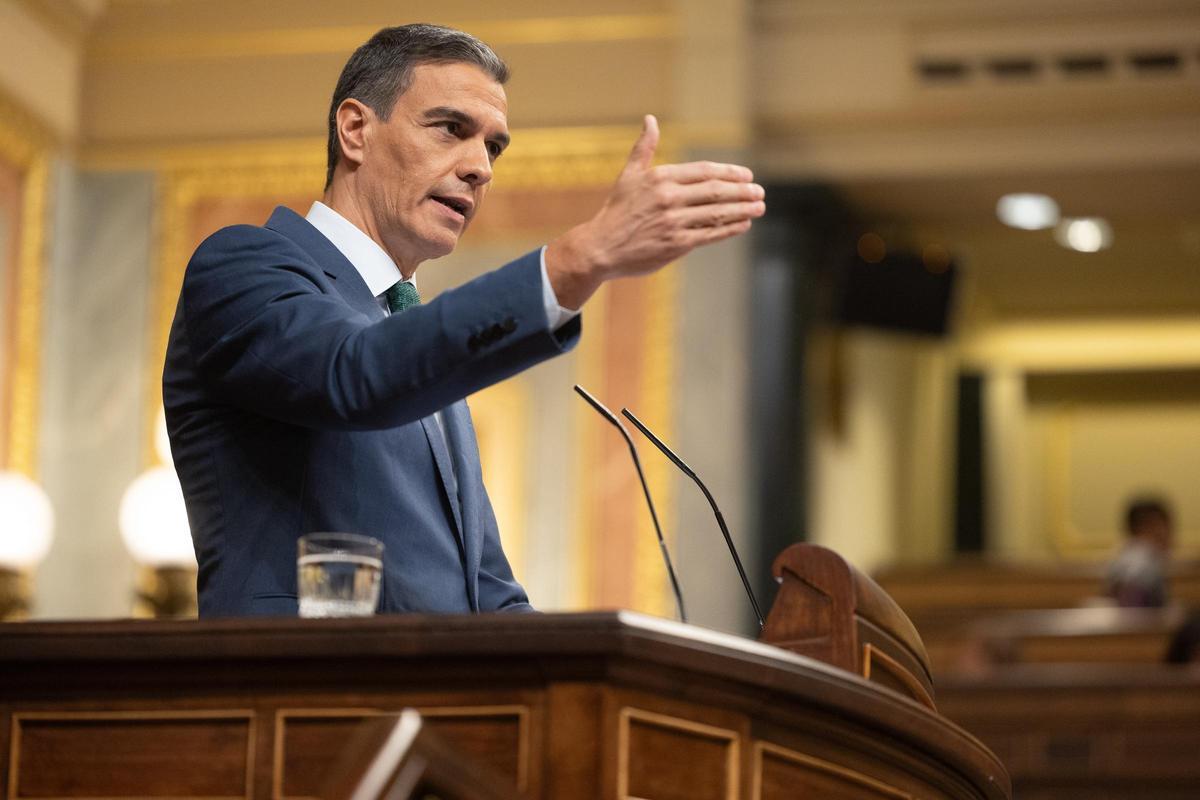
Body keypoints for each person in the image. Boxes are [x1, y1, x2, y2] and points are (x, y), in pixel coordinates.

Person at [163, 24, 765, 617]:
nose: (481, 167)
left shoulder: (414, 338)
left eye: (493, 146)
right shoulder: (242, 264)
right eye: (452, 129)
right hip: (304, 699)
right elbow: (354, 375)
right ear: (354, 130)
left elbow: (487, 593)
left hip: (439, 709)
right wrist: (577, 260)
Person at [1104, 496, 1174, 607]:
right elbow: (1132, 595)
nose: (1170, 536)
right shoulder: (1143, 558)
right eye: (1167, 527)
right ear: (1152, 526)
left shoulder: (1124, 554)